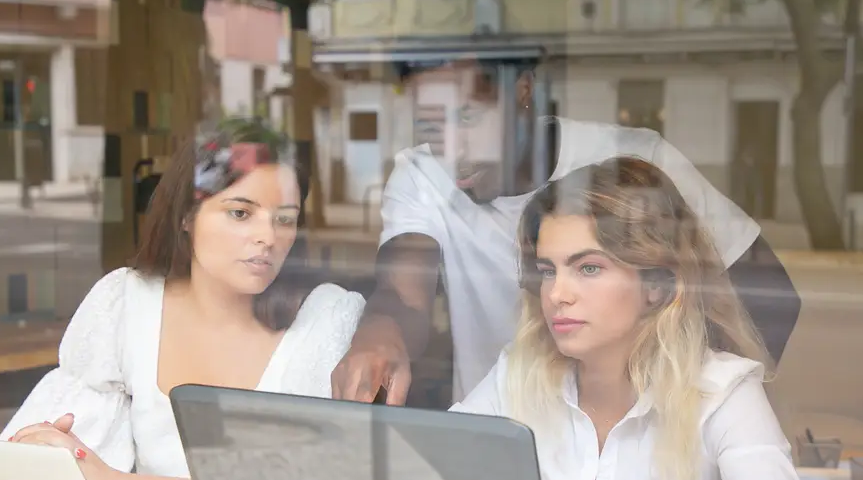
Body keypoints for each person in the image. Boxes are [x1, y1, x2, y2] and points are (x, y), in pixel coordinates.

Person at [452, 157, 824, 480]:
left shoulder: (724, 395)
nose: (556, 294)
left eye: (587, 268)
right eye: (547, 270)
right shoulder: (517, 375)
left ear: (656, 285)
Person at [331, 60, 799, 407]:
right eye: (430, 125)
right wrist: (380, 333)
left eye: (468, 118)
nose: (450, 149)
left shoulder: (635, 162)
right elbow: (403, 293)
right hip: (503, 455)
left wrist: (693, 411)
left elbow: (769, 296)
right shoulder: (421, 175)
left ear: (522, 91)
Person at [0, 124, 365, 480]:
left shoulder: (324, 321)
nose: (268, 237)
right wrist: (49, 450)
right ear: (187, 216)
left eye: (285, 219)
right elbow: (22, 478)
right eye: (240, 213)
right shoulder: (126, 304)